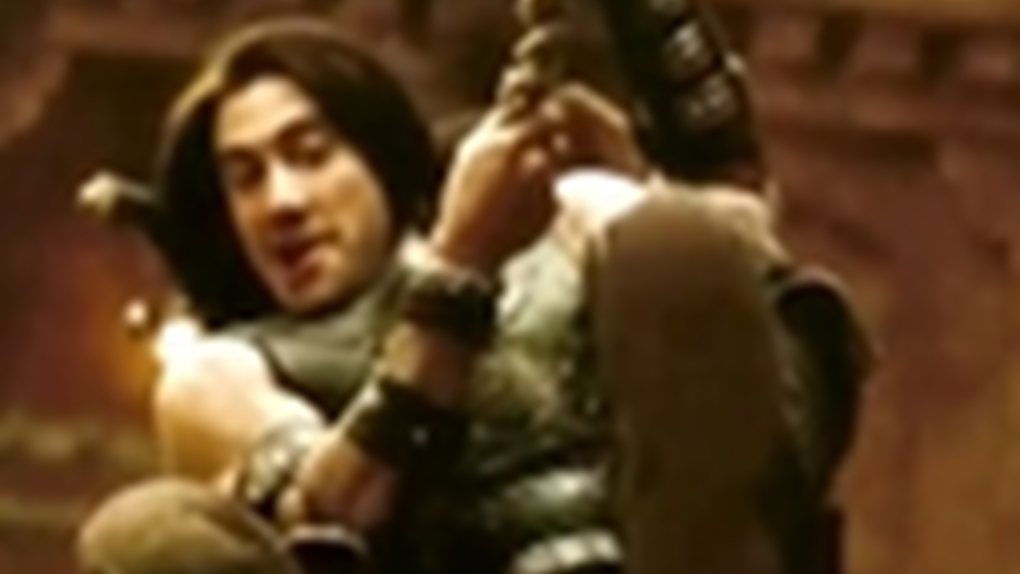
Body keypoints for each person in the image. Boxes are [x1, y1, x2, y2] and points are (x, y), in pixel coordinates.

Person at [75, 13, 870, 574]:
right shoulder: (221, 375)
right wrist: (463, 266)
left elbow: (729, 254)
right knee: (144, 534)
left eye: (310, 154)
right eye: (244, 178)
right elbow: (334, 514)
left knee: (671, 240)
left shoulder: (569, 220)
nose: (280, 200)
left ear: (380, 159)